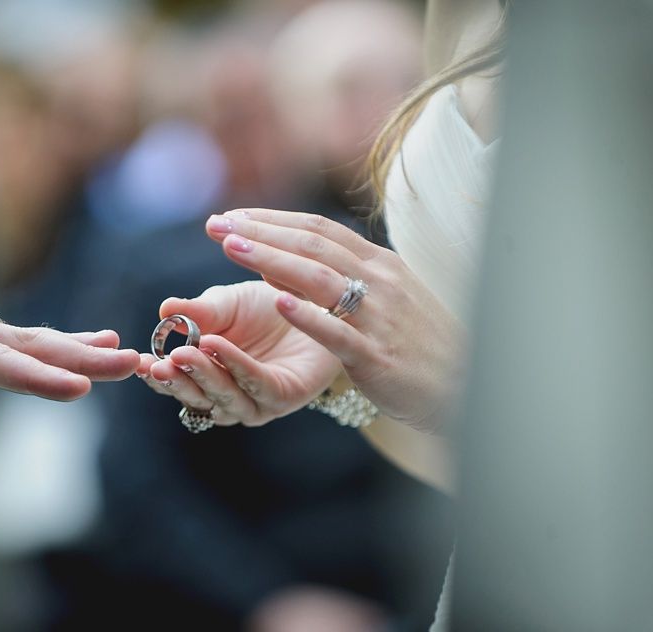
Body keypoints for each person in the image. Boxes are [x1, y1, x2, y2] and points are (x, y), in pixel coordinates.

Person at [138, 0, 509, 627]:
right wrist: (343, 374)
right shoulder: (165, 259)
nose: (376, 110)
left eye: (394, 84)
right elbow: (140, 486)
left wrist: (462, 390)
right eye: (346, 88)